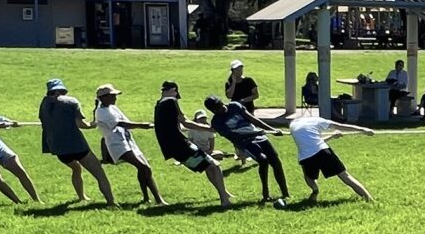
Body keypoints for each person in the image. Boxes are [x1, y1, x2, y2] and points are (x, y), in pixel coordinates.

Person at [151, 79, 235, 208]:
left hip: (171, 149)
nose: (176, 97)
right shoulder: (171, 101)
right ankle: (225, 200)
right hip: (181, 145)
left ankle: (224, 193)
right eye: (176, 94)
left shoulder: (158, 105)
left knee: (208, 166)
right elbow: (186, 123)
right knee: (215, 165)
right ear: (173, 91)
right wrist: (209, 128)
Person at [38, 77, 116, 206]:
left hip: (58, 149)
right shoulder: (71, 102)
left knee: (76, 168)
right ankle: (111, 203)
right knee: (99, 173)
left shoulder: (44, 104)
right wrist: (92, 124)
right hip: (77, 147)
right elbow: (81, 124)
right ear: (63, 90)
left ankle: (81, 197)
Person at [205, 94, 290, 204]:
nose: (223, 107)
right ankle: (266, 194)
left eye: (221, 104)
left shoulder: (234, 106)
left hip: (259, 136)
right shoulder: (217, 122)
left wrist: (272, 130)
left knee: (275, 161)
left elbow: (252, 119)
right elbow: (234, 136)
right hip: (245, 142)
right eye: (218, 108)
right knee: (263, 160)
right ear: (213, 111)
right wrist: (256, 133)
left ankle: (285, 193)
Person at [92, 83, 165, 206]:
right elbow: (121, 123)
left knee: (146, 168)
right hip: (117, 144)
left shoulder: (113, 108)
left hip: (128, 141)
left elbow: (126, 121)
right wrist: (142, 125)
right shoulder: (101, 112)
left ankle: (148, 198)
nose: (115, 97)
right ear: (104, 97)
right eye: (112, 95)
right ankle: (158, 200)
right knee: (143, 167)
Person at [285, 107, 373, 203]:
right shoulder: (316, 120)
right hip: (323, 152)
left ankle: (315, 190)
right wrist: (363, 129)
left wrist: (332, 136)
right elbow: (339, 126)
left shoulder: (293, 126)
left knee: (309, 177)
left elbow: (312, 141)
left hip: (306, 158)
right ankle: (369, 199)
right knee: (345, 176)